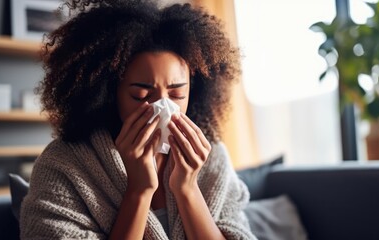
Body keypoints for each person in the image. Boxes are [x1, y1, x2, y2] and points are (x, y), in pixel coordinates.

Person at [20, 0, 256, 239]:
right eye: (141, 95)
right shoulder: (64, 165)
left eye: (177, 94)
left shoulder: (212, 157)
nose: (163, 106)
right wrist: (139, 191)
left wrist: (187, 189)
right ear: (110, 94)